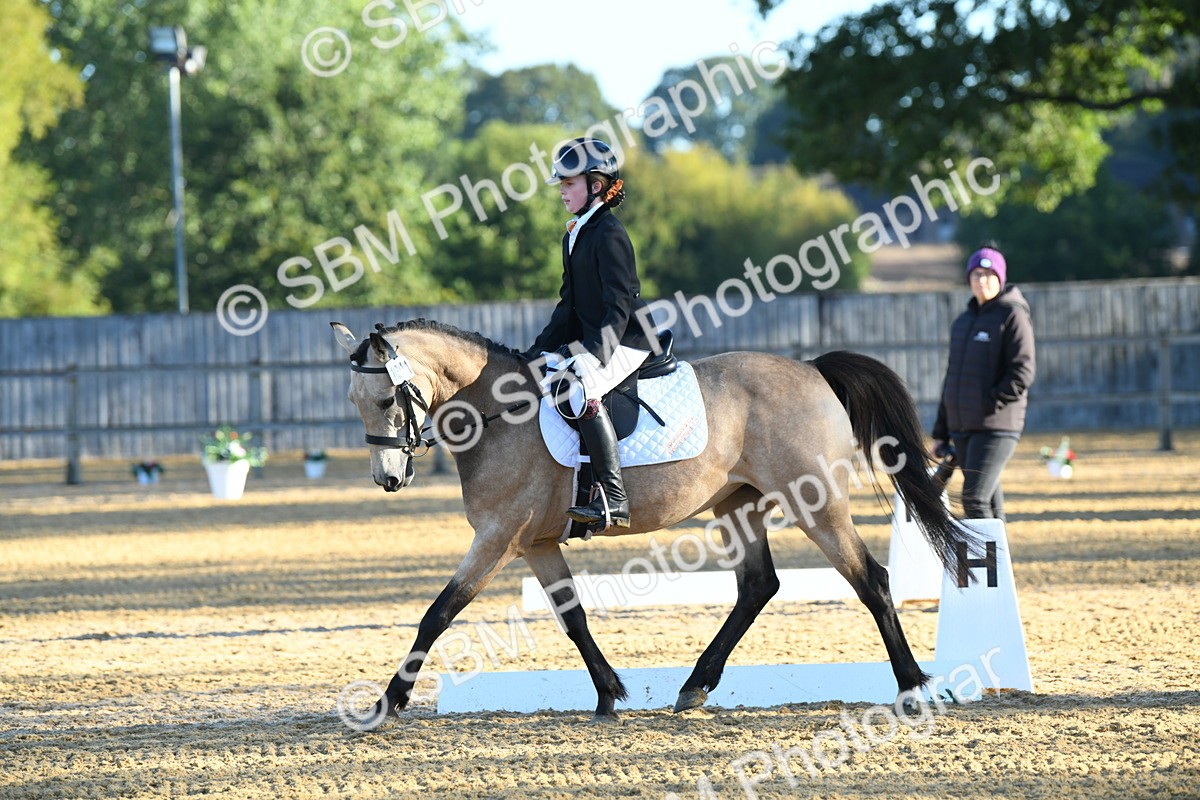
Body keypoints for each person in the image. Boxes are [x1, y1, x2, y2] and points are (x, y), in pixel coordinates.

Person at [526, 138, 653, 530]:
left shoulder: (610, 233)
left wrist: (594, 353)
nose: (562, 191)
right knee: (543, 375)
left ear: (596, 185)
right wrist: (536, 352)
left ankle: (614, 499)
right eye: (561, 185)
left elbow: (619, 305)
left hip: (627, 338)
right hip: (596, 338)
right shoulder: (574, 234)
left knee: (580, 389)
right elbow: (568, 306)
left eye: (569, 184)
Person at [931, 246, 1036, 520]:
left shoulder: (1012, 316)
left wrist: (988, 403)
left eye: (989, 274)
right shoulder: (962, 323)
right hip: (962, 429)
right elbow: (952, 379)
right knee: (988, 502)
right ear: (969, 278)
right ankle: (1000, 550)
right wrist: (941, 431)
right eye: (977, 274)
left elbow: (1023, 371)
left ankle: (987, 552)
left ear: (1000, 278)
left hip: (995, 427)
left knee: (974, 499)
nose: (982, 280)